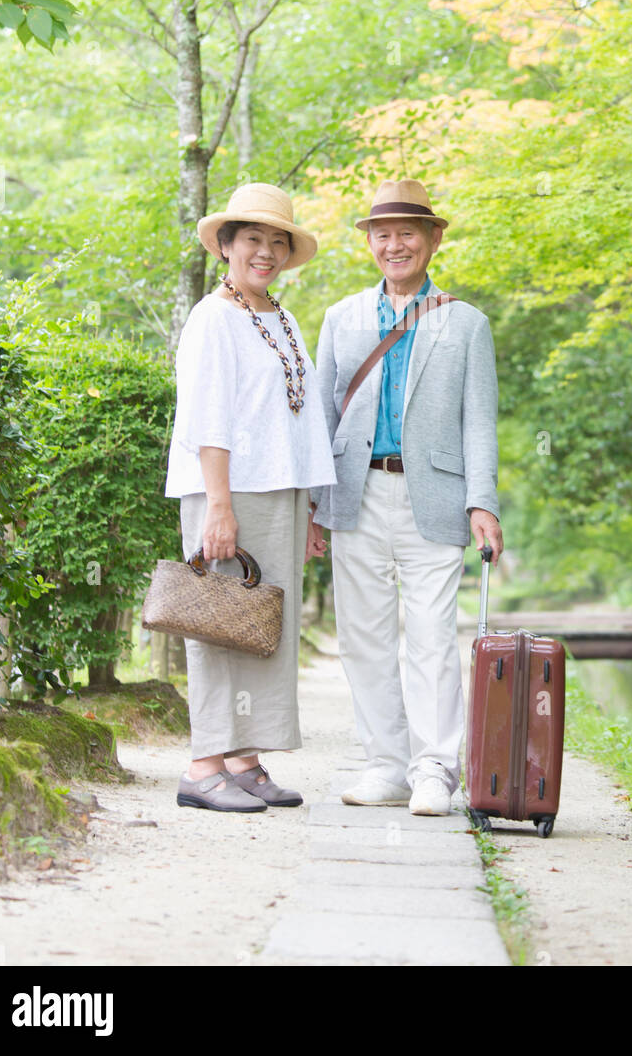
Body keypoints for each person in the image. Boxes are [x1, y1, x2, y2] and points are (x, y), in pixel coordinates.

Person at [308, 178, 503, 816]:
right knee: (363, 635)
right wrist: (314, 504)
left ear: (432, 239)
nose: (394, 245)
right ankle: (385, 764)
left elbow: (480, 420)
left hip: (436, 496)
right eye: (382, 234)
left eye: (407, 233)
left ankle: (434, 770)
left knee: (430, 634)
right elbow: (321, 417)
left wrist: (484, 502)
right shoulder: (341, 318)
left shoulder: (466, 322)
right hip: (354, 491)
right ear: (369, 242)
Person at [165, 182, 334, 813]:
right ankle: (202, 765)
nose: (265, 252)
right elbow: (209, 418)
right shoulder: (214, 318)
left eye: (277, 242)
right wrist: (219, 505)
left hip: (279, 491)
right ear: (227, 246)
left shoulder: (279, 317)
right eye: (253, 239)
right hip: (228, 490)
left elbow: (298, 418)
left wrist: (310, 508)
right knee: (217, 625)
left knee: (261, 626)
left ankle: (243, 758)